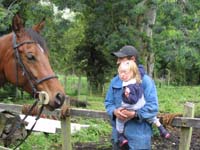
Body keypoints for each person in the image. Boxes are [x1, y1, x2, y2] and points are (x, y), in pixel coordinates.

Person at [104, 45, 159, 150]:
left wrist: (134, 114)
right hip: (118, 137)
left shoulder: (146, 81)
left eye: (121, 58)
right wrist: (114, 112)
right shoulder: (115, 81)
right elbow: (108, 102)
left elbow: (153, 107)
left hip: (139, 139)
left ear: (133, 59)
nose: (117, 62)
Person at [116, 60, 170, 147]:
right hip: (142, 103)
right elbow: (141, 70)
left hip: (132, 106)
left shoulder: (129, 84)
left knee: (119, 121)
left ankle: (120, 136)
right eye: (120, 73)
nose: (122, 75)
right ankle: (161, 129)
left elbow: (133, 99)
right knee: (152, 117)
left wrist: (127, 96)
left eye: (124, 72)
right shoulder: (138, 77)